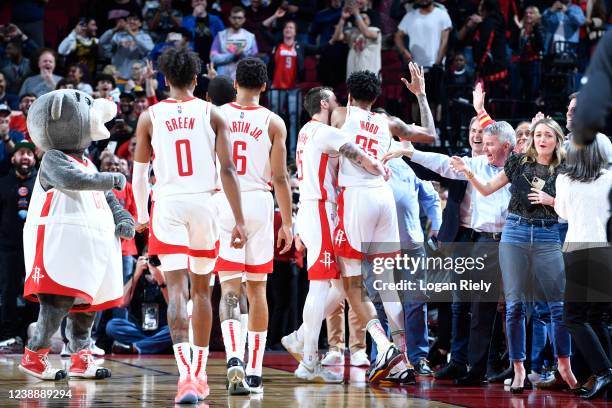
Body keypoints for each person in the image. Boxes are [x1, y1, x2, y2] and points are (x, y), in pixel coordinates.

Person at [132, 47, 246, 404]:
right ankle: (201, 375)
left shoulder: (149, 116)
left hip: (167, 205)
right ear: (197, 80)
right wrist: (238, 219)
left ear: (165, 79)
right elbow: (227, 170)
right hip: (204, 204)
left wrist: (141, 216)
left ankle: (186, 379)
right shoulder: (213, 113)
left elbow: (139, 174)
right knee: (202, 293)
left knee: (177, 293)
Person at [450, 118, 578, 393]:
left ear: (557, 141)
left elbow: (574, 208)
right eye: (538, 135)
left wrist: (552, 201)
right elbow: (485, 189)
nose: (542, 140)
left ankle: (564, 367)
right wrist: (467, 171)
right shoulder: (518, 163)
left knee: (558, 305)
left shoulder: (565, 169)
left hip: (547, 235)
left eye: (548, 136)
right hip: (515, 232)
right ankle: (518, 369)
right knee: (515, 305)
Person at [388, 118, 513, 387]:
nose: (484, 147)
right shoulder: (477, 164)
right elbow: (442, 163)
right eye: (483, 141)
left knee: (515, 308)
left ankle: (517, 368)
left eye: (490, 144)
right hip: (484, 241)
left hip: (514, 241)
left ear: (506, 146)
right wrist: (409, 151)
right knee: (480, 307)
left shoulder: (518, 167)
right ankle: (475, 369)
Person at [329, 70, 433, 382]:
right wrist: (421, 95)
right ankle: (402, 360)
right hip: (383, 198)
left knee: (351, 281)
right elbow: (429, 133)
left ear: (348, 96)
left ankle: (383, 345)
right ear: (376, 98)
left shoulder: (340, 117)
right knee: (387, 283)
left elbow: (335, 150)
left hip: (358, 197)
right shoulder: (387, 123)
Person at [284, 86, 387, 382]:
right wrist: (378, 165)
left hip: (312, 209)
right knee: (320, 286)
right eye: (335, 98)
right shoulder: (324, 132)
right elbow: (356, 153)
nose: (340, 102)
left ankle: (300, 337)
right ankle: (308, 360)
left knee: (342, 285)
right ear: (325, 103)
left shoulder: (305, 131)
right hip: (320, 210)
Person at [214, 57, 292, 395]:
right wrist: (287, 223)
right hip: (261, 202)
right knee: (257, 290)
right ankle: (256, 369)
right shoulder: (274, 122)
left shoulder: (216, 116)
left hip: (225, 201)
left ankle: (234, 358)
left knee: (229, 288)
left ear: (234, 84)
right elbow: (281, 177)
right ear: (264, 86)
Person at [556, 139, 612, 400]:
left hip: (580, 250)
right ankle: (608, 376)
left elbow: (563, 213)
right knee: (597, 317)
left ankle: (603, 371)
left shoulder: (566, 179)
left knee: (574, 317)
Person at [0, 141, 37, 345]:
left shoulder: (41, 185)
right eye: (21, 153)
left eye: (30, 154)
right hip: (8, 248)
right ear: (13, 158)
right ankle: (7, 336)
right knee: (8, 292)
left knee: (35, 291)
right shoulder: (3, 183)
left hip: (34, 249)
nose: (26, 157)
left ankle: (32, 334)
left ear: (34, 159)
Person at [107, 256, 173, 355]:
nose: (150, 263)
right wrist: (136, 274)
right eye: (147, 259)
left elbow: (174, 306)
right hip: (139, 330)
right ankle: (155, 345)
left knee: (175, 330)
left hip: (161, 329)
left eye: (154, 260)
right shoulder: (134, 278)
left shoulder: (168, 277)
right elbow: (121, 304)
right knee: (112, 326)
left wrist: (161, 281)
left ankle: (135, 348)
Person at [99, 13, 154, 81]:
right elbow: (102, 42)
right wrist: (115, 29)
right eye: (129, 20)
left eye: (135, 19)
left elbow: (150, 49)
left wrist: (131, 33)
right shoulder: (118, 35)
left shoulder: (145, 37)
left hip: (135, 77)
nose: (131, 21)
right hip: (117, 75)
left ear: (140, 24)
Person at [331, 5, 382, 80]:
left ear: (370, 20)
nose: (361, 19)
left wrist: (356, 14)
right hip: (353, 76)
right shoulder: (353, 32)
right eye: (359, 19)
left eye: (364, 18)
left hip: (371, 76)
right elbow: (336, 37)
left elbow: (367, 33)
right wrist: (343, 18)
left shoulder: (375, 30)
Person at [209, 7, 258, 79]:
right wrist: (233, 55)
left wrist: (243, 53)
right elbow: (213, 58)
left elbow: (254, 60)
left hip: (244, 80)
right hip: (223, 80)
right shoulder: (220, 36)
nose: (237, 20)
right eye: (234, 18)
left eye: (239, 18)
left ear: (244, 19)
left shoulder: (250, 37)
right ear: (230, 18)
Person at [181, 0, 225, 64]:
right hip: (193, 59)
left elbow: (224, 37)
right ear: (192, 4)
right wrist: (194, 16)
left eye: (201, 0)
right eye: (196, 1)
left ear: (206, 2)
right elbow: (186, 35)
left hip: (212, 59)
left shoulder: (216, 20)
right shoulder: (186, 20)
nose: (199, 3)